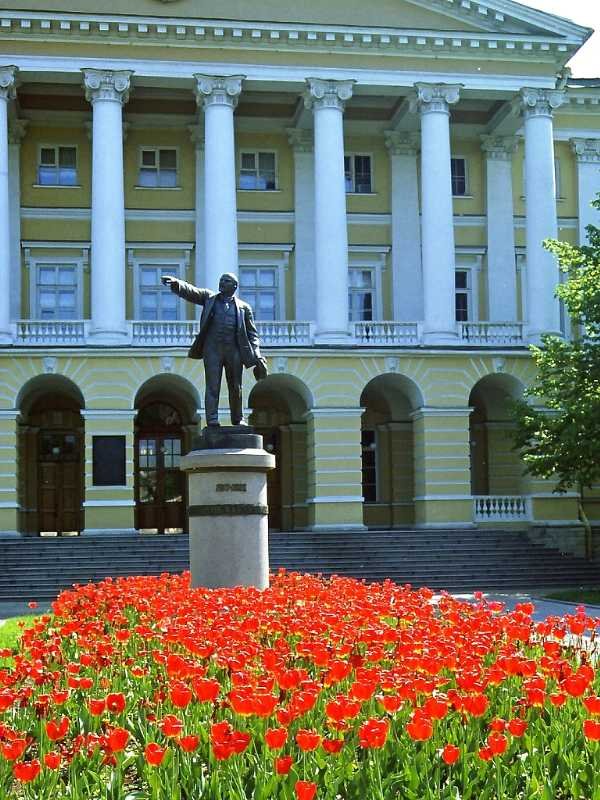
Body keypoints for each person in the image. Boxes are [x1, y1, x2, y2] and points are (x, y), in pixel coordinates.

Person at [161, 272, 267, 427]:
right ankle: (212, 419)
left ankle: (238, 419)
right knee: (212, 385)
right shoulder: (209, 298)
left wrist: (257, 354)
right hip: (213, 350)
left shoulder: (244, 308)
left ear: (234, 286)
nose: (222, 283)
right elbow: (191, 292)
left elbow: (253, 334)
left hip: (234, 350)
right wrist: (176, 284)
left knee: (236, 386)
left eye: (226, 281)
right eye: (221, 280)